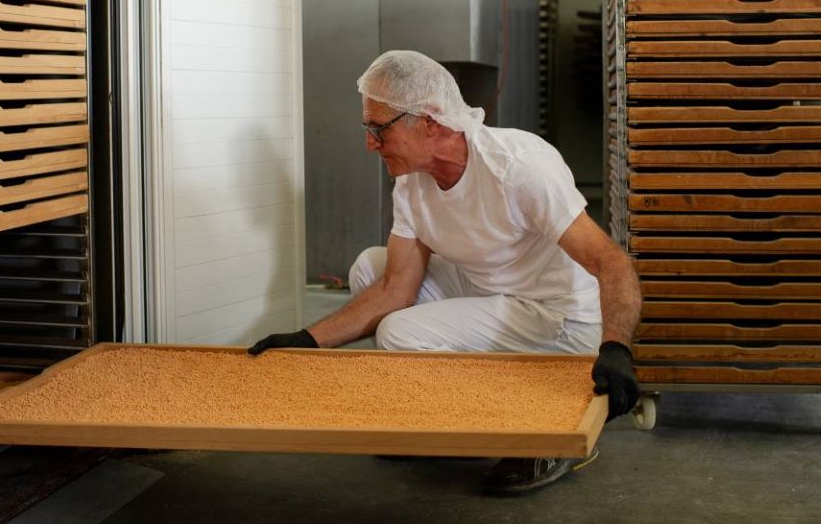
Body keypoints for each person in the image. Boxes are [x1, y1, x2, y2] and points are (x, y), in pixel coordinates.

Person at [249, 50, 641, 495]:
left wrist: (615, 347)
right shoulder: (411, 182)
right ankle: (442, 421)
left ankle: (540, 434)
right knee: (369, 268)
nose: (370, 144)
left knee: (399, 333)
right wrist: (308, 339)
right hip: (491, 293)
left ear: (430, 122)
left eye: (378, 129)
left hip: (557, 318)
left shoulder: (517, 168)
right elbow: (394, 287)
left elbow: (609, 261)